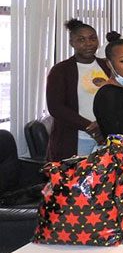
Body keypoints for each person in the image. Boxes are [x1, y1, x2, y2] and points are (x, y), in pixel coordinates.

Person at [45, 19, 112, 160]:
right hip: (76, 138)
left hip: (106, 135)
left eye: (92, 38)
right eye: (81, 40)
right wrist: (91, 127)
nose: (88, 44)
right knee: (76, 179)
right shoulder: (61, 70)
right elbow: (56, 107)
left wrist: (104, 126)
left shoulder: (107, 65)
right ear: (72, 43)